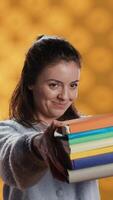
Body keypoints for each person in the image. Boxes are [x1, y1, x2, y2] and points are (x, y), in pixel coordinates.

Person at [0, 35, 100, 200]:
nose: (65, 96)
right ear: (30, 82)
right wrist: (40, 145)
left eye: (73, 85)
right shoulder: (7, 131)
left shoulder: (88, 130)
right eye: (54, 85)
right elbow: (13, 164)